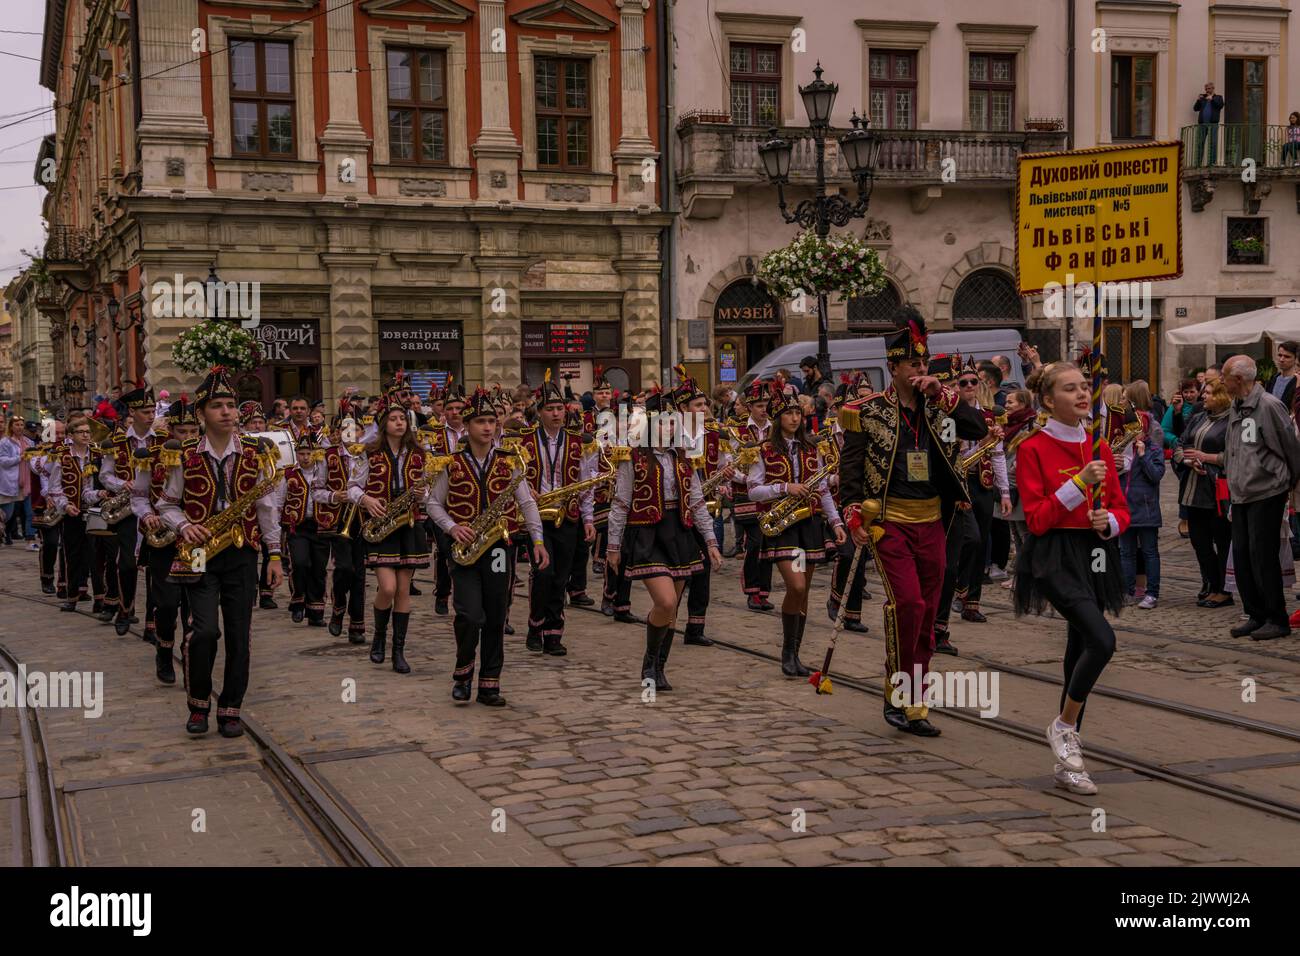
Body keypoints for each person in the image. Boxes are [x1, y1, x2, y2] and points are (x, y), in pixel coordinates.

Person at [838, 307, 988, 736]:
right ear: (894, 368)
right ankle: (896, 692)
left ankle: (915, 698)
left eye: (924, 363)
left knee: (926, 614)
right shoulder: (864, 411)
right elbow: (850, 470)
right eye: (913, 364)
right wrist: (853, 512)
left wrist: (943, 393)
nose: (921, 370)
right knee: (908, 604)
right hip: (888, 522)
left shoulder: (941, 408)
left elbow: (977, 428)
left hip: (933, 523)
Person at [1015, 361, 1129, 795]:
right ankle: (1063, 727)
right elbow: (1038, 519)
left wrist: (1109, 522)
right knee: (1103, 640)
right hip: (1054, 556)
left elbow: (1121, 508)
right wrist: (1079, 483)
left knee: (1079, 646)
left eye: (1085, 387)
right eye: (1070, 389)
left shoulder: (1100, 446)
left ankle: (1068, 762)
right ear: (1048, 400)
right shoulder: (1033, 448)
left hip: (1095, 553)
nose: (1082, 395)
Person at [157, 367, 285, 737]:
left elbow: (267, 509)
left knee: (239, 635)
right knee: (205, 632)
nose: (227, 412)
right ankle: (199, 704)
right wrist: (184, 525)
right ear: (202, 414)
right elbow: (166, 504)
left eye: (231, 405)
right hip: (198, 551)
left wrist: (274, 556)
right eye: (217, 406)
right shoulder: (184, 455)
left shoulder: (256, 454)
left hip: (242, 553)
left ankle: (231, 708)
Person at [427, 387, 548, 705]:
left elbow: (527, 504)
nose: (487, 427)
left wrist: (537, 540)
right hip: (465, 548)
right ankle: (463, 673)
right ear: (467, 426)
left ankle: (490, 682)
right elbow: (433, 505)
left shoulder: (510, 463)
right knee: (469, 614)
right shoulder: (450, 464)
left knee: (496, 614)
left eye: (492, 421)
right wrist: (453, 527)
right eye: (480, 421)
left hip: (498, 549)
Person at [607, 389, 722, 692]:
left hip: (680, 532)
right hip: (647, 532)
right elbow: (620, 503)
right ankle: (649, 661)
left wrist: (710, 542)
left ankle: (659, 668)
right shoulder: (634, 457)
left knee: (672, 609)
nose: (668, 428)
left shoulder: (683, 457)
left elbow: (697, 501)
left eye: (672, 422)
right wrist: (613, 547)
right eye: (662, 422)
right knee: (666, 601)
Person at [748, 383, 846, 676]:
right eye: (788, 413)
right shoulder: (763, 450)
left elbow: (823, 491)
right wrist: (784, 488)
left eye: (796, 413)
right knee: (797, 585)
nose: (794, 418)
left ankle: (793, 655)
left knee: (803, 593)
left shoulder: (810, 448)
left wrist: (836, 522)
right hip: (782, 528)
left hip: (808, 525)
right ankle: (788, 651)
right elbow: (754, 491)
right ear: (778, 419)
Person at [349, 382, 434, 672]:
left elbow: (429, 490)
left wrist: (424, 496)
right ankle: (378, 638)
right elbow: (352, 488)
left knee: (402, 590)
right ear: (384, 424)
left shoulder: (419, 454)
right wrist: (367, 500)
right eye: (394, 419)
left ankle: (398, 651)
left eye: (403, 419)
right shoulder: (368, 453)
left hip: (408, 525)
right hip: (381, 525)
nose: (400, 423)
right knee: (386, 587)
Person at [1221, 355, 1300, 640]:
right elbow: (1234, 448)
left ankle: (1276, 617)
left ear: (1239, 379)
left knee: (1262, 556)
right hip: (1241, 491)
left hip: (1267, 490)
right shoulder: (1237, 405)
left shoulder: (1268, 405)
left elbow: (1290, 445)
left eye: (1224, 375)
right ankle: (1255, 614)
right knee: (1242, 555)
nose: (1221, 380)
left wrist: (1287, 480)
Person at [519, 371, 598, 657]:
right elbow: (514, 478)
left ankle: (554, 633)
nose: (555, 413)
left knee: (560, 577)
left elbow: (586, 484)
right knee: (543, 572)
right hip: (536, 515)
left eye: (559, 408)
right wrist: (527, 490)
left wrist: (588, 519)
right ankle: (535, 624)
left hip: (568, 516)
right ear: (539, 412)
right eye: (550, 409)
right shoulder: (524, 440)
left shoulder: (579, 442)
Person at [138, 395, 199, 683]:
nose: (188, 437)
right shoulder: (151, 456)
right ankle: (164, 651)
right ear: (171, 432)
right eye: (182, 432)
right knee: (166, 603)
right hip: (163, 538)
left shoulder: (204, 458)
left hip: (197, 541)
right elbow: (139, 496)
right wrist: (147, 514)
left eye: (193, 432)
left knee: (195, 599)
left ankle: (191, 656)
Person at [676, 369, 733, 646]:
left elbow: (725, 465)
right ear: (683, 408)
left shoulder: (715, 434)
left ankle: (695, 629)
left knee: (702, 570)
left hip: (706, 507)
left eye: (705, 404)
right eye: (698, 405)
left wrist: (727, 479)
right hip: (675, 512)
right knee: (678, 570)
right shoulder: (668, 434)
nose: (705, 408)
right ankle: (665, 622)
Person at [98, 383, 155, 635]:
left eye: (153, 410)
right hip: (128, 509)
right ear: (133, 412)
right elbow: (105, 476)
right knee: (128, 565)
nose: (151, 416)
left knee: (155, 567)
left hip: (155, 509)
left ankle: (153, 623)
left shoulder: (164, 439)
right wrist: (124, 484)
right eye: (146, 412)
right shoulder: (116, 441)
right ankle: (125, 607)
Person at [1175, 380, 1233, 609]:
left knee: (1222, 542)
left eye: (1208, 393)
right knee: (1200, 543)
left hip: (1216, 492)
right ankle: (1212, 584)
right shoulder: (1199, 417)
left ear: (1220, 396)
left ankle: (1224, 590)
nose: (1203, 397)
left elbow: (1235, 456)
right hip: (1193, 490)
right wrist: (1189, 460)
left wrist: (1207, 458)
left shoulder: (1231, 421)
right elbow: (1180, 444)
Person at [1119, 381, 1165, 609]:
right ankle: (1128, 591)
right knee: (1126, 552)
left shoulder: (1153, 449)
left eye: (1136, 428)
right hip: (1125, 506)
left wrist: (1144, 455)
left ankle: (1152, 592)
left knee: (1149, 552)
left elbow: (1156, 474)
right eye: (1129, 428)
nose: (1132, 433)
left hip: (1146, 507)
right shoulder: (1122, 448)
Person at [280, 432, 330, 626]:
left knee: (319, 568)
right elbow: (279, 501)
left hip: (320, 525)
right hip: (297, 527)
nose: (305, 457)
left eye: (308, 453)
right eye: (301, 453)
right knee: (300, 564)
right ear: (296, 454)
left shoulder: (324, 472)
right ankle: (298, 601)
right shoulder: (288, 474)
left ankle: (316, 611)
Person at [733, 379, 774, 611]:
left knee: (768, 543)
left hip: (770, 495)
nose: (764, 408)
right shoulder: (738, 431)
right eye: (759, 405)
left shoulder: (776, 428)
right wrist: (745, 478)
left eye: (766, 403)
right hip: (745, 495)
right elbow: (729, 464)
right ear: (749, 407)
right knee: (755, 541)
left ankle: (763, 592)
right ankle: (751, 591)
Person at [1193, 81, 1225, 166]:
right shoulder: (1203, 98)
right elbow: (1195, 109)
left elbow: (1220, 105)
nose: (1207, 90)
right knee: (1200, 143)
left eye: (1209, 88)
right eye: (1206, 89)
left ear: (1213, 89)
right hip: (1202, 124)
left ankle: (1212, 163)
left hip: (1213, 124)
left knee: (1213, 143)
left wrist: (1212, 99)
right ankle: (1198, 163)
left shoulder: (1218, 97)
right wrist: (1198, 100)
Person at [1264, 340, 1298, 411]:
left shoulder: (1297, 381)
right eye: (1280, 355)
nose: (1282, 359)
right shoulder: (1273, 378)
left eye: (1287, 356)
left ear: (1295, 359)